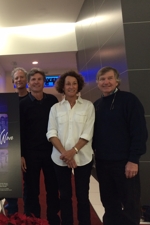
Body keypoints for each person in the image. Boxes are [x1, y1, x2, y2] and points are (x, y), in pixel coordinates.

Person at [93, 66, 148, 225]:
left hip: (125, 163)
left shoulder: (129, 100)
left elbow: (139, 132)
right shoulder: (96, 105)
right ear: (97, 83)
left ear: (117, 81)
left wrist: (133, 160)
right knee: (109, 204)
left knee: (130, 204)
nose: (106, 82)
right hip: (103, 163)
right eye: (102, 79)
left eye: (110, 78)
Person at [46, 71, 95, 225]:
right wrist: (65, 154)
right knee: (65, 195)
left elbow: (88, 133)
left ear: (78, 85)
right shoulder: (55, 108)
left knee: (82, 195)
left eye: (74, 83)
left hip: (83, 157)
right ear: (63, 86)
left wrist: (72, 152)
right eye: (68, 83)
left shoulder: (88, 106)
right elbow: (51, 132)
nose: (71, 86)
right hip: (60, 158)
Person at [20, 68, 60, 225]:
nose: (36, 82)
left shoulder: (52, 101)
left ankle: (53, 217)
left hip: (51, 151)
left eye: (39, 79)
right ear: (28, 83)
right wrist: (21, 154)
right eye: (33, 79)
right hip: (30, 153)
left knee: (52, 187)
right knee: (31, 189)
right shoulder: (22, 104)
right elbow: (20, 131)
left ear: (44, 82)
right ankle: (32, 219)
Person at [5, 67, 28, 215]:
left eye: (22, 77)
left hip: (29, 148)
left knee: (29, 184)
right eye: (16, 78)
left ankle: (28, 214)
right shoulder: (8, 101)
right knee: (11, 183)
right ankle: (11, 215)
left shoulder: (32, 99)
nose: (19, 80)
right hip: (10, 148)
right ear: (13, 81)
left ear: (26, 80)